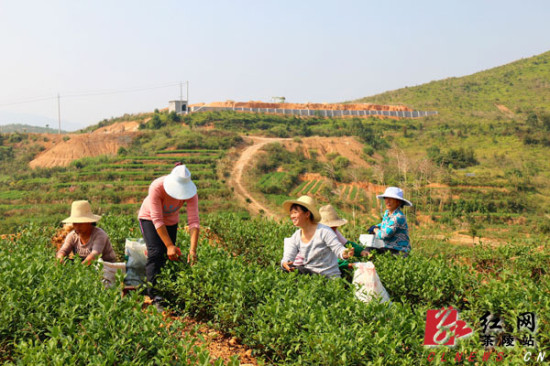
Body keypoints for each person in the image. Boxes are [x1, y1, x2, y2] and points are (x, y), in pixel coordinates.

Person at [138, 164, 200, 307]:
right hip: (149, 218)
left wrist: (193, 250)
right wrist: (169, 245)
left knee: (170, 256)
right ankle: (154, 296)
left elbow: (194, 222)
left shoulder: (192, 192)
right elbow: (157, 219)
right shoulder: (157, 187)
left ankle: (167, 291)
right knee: (156, 252)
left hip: (171, 221)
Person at [280, 195, 354, 278]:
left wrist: (345, 253)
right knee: (284, 270)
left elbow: (338, 249)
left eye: (295, 212)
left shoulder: (324, 231)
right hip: (310, 276)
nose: (292, 216)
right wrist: (285, 263)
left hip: (328, 277)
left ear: (307, 214)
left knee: (300, 270)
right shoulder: (296, 236)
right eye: (291, 213)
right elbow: (288, 256)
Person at [56, 200, 116, 265]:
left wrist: (80, 269)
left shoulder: (99, 235)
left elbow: (95, 255)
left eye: (80, 223)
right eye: (75, 223)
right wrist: (60, 258)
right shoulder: (73, 235)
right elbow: (63, 250)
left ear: (89, 222)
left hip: (105, 266)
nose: (77, 227)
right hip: (85, 264)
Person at [318, 204, 369, 272]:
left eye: (335, 227)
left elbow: (346, 243)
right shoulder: (318, 237)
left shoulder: (334, 231)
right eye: (331, 227)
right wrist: (347, 265)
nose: (334, 229)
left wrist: (361, 251)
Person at [366, 186, 412, 256]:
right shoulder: (387, 213)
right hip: (389, 248)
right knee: (368, 250)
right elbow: (385, 223)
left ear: (398, 202)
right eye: (386, 198)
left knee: (372, 252)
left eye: (391, 199)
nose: (387, 201)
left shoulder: (398, 217)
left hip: (399, 251)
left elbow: (384, 235)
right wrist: (376, 226)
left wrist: (375, 230)